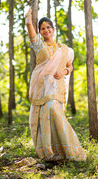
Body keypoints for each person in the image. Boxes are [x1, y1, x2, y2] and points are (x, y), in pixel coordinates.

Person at [25, 8, 86, 161]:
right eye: (42, 28)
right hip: (42, 91)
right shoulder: (39, 46)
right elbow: (30, 31)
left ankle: (68, 149)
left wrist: (64, 72)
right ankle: (48, 153)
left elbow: (69, 66)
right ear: (40, 32)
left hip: (56, 89)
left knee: (55, 111)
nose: (46, 30)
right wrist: (28, 19)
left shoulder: (64, 49)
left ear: (53, 29)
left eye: (48, 27)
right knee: (45, 116)